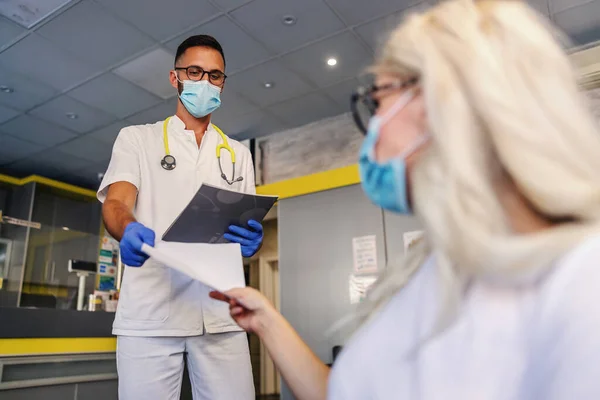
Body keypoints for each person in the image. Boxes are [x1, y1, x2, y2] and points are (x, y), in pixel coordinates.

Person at [210, 1, 600, 399]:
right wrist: (267, 321)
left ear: (444, 104)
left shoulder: (582, 281)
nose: (372, 130)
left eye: (378, 103)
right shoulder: (431, 268)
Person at [98, 35, 261, 399]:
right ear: (175, 78)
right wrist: (128, 230)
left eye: (215, 75)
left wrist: (251, 239)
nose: (205, 82)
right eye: (195, 71)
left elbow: (242, 222)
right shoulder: (138, 139)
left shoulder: (237, 154)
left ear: (223, 83)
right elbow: (116, 203)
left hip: (221, 314)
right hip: (152, 312)